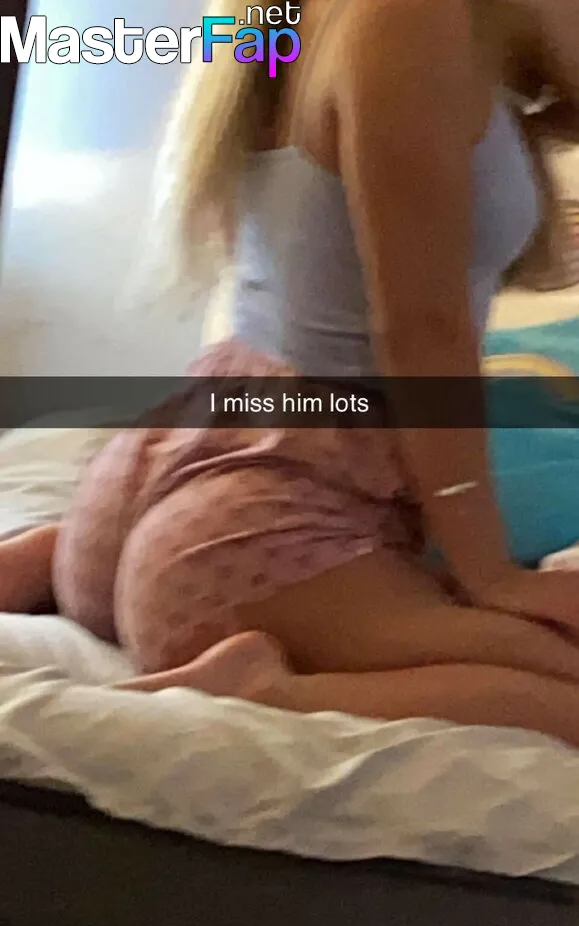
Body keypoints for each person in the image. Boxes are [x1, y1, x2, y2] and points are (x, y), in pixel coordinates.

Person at [4, 0, 579, 746]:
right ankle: (262, 688)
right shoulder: (409, 19)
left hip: (168, 484)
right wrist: (491, 575)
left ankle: (58, 559)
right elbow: (420, 331)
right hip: (246, 539)